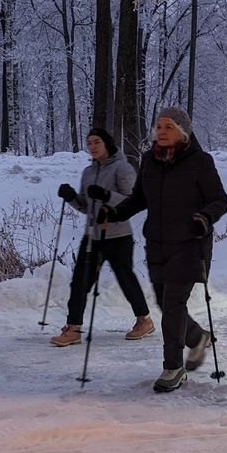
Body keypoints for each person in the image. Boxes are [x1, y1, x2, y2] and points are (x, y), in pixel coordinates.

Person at [104, 107, 227, 393]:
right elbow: (138, 199)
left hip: (189, 244)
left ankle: (173, 367)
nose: (161, 131)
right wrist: (114, 213)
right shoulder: (150, 160)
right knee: (164, 303)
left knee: (172, 303)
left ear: (182, 131)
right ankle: (198, 337)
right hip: (157, 245)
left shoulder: (200, 162)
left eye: (168, 126)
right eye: (158, 126)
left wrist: (204, 218)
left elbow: (219, 200)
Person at [50, 128, 155, 347]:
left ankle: (144, 320)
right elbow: (86, 206)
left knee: (125, 278)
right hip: (92, 236)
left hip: (118, 235)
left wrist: (107, 196)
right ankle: (73, 328)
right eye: (89, 143)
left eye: (97, 142)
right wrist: (71, 198)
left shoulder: (122, 168)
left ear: (107, 143)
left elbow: (133, 200)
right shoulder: (88, 172)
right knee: (80, 281)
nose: (93, 146)